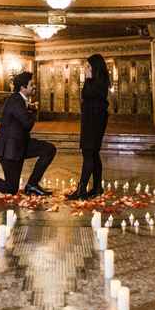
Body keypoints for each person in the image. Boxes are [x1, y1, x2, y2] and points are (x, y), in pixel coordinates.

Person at [66, 53, 110, 200]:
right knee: (93, 154)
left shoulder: (97, 83)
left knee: (88, 153)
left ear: (95, 67)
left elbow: (89, 97)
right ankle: (97, 188)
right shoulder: (95, 81)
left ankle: (82, 189)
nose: (86, 68)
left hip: (94, 121)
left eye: (88, 66)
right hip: (92, 120)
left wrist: (88, 78)